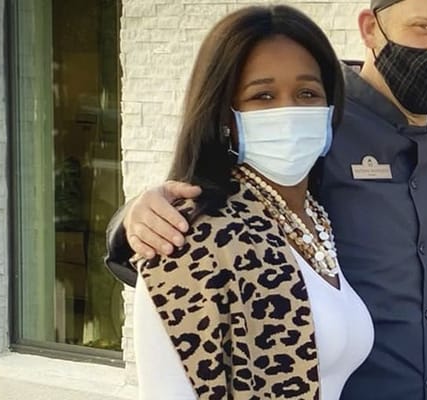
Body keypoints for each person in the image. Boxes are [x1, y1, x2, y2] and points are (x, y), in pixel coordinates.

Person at [106, 1, 427, 398]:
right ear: (371, 30)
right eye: (423, 28)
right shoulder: (322, 126)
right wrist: (133, 216)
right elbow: (222, 195)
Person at [130, 5, 375, 400]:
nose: (289, 111)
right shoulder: (190, 239)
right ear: (225, 116)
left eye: (307, 93)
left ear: (330, 109)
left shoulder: (317, 218)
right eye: (263, 96)